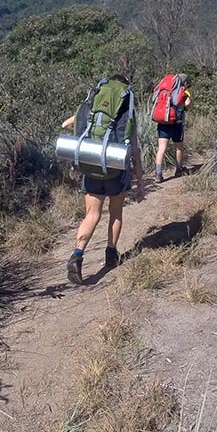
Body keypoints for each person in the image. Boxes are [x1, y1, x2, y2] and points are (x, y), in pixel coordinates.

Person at [60, 74, 145, 285]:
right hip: (116, 168)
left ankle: (77, 255)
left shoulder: (92, 108)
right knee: (115, 213)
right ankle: (111, 253)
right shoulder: (127, 111)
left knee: (92, 215)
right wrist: (140, 179)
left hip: (92, 166)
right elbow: (134, 149)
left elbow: (65, 125)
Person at [153, 73, 192, 182]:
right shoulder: (183, 92)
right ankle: (179, 169)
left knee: (161, 149)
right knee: (178, 147)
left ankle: (158, 174)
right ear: (184, 82)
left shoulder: (163, 90)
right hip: (176, 123)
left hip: (162, 123)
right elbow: (188, 105)